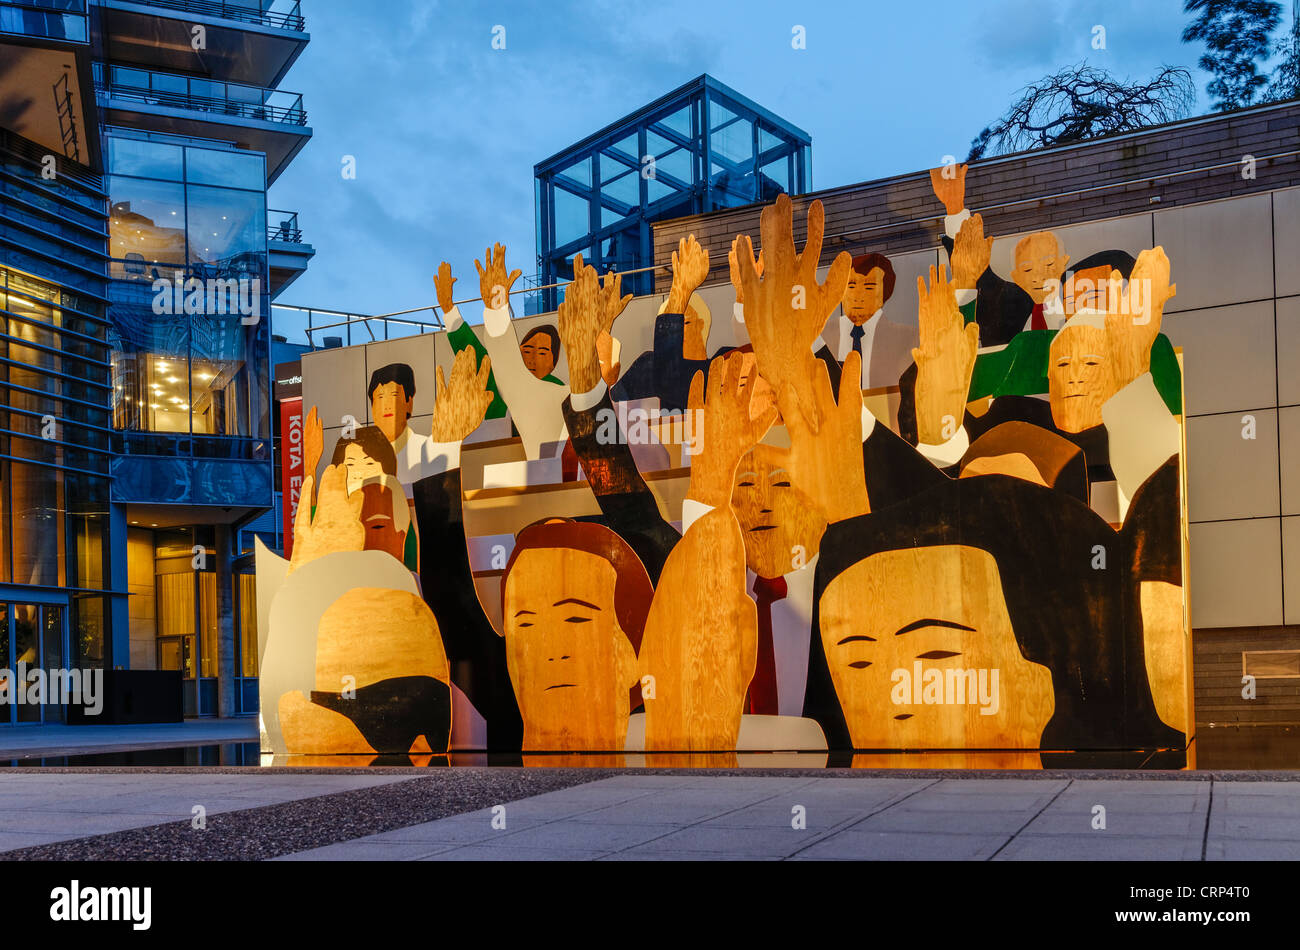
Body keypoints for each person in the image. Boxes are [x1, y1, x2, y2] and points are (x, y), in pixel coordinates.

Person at [436, 244, 570, 459]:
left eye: (543, 352)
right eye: (526, 350)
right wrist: (450, 310)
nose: (533, 358)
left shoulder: (559, 395)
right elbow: (476, 356)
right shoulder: (497, 386)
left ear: (553, 363)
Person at [931, 163, 1070, 346]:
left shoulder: (1083, 297)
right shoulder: (1010, 304)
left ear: (1063, 264)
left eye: (1049, 264)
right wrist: (955, 208)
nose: (1038, 276)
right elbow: (972, 269)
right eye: (1027, 269)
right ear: (1016, 276)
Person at [819, 252, 918, 390]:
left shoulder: (907, 338)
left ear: (885, 292)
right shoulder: (824, 335)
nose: (857, 296)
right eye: (851, 286)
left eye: (869, 287)